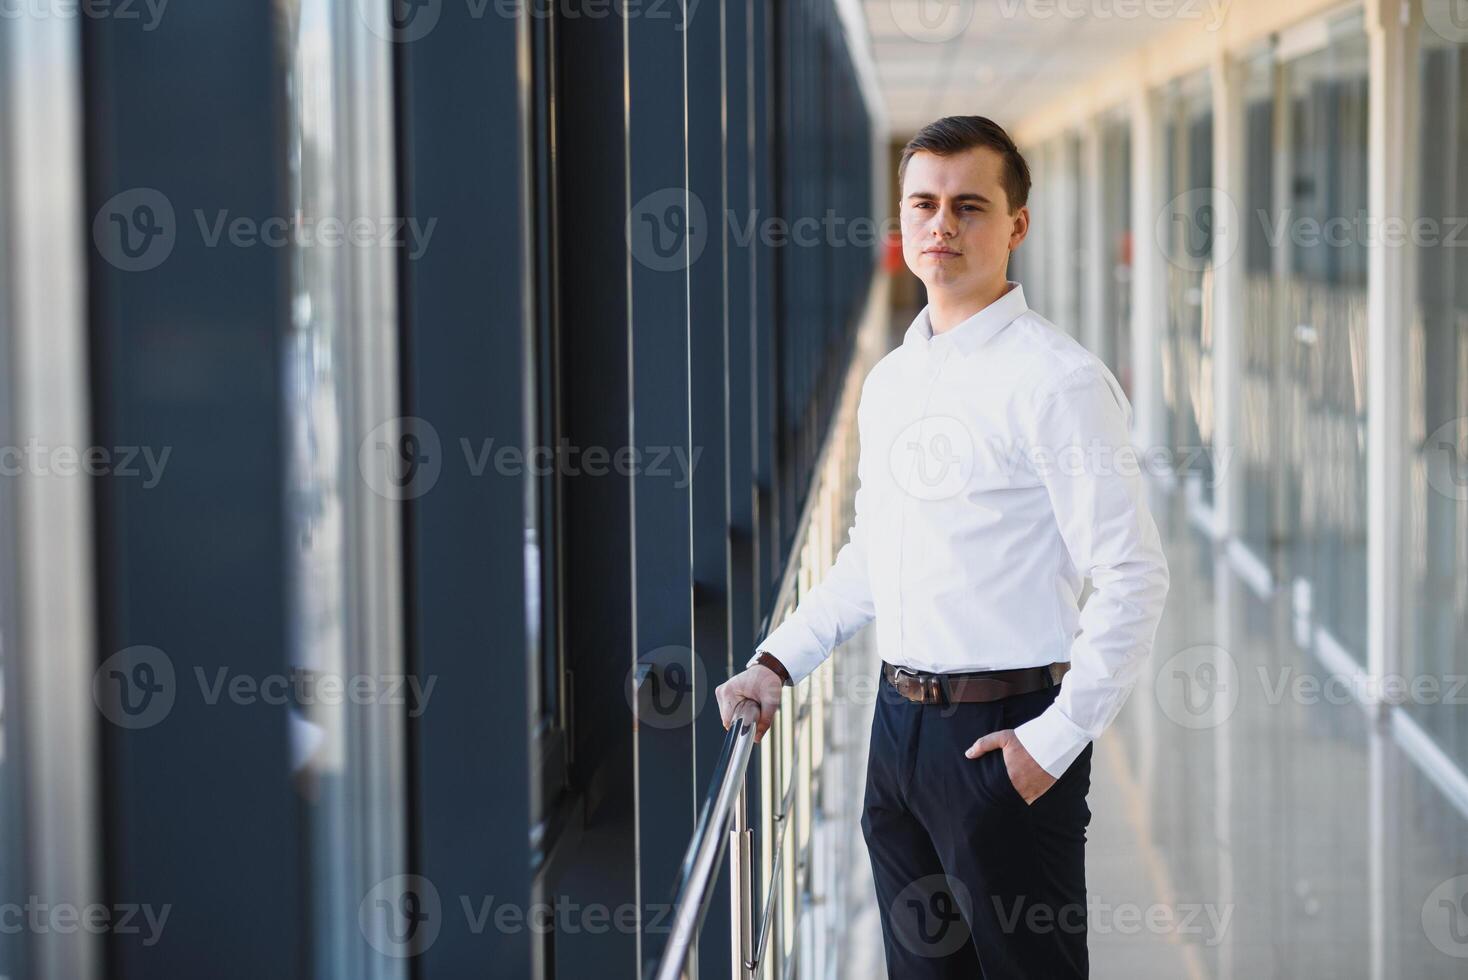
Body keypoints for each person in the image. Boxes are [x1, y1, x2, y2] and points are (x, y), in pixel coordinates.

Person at [714, 115, 1170, 979]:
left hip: (1006, 735)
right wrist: (776, 663)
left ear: (1016, 225)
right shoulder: (895, 378)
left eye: (969, 205)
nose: (942, 225)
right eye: (923, 204)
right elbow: (869, 553)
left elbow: (1132, 576)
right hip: (896, 736)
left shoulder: (1057, 382)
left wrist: (1053, 742)